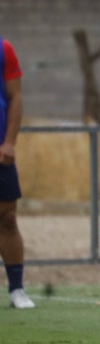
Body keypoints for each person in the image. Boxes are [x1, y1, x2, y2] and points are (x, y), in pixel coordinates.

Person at [0, 37, 33, 309]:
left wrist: (10, 141)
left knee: (8, 218)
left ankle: (17, 289)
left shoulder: (4, 49)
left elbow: (16, 96)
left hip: (1, 150)